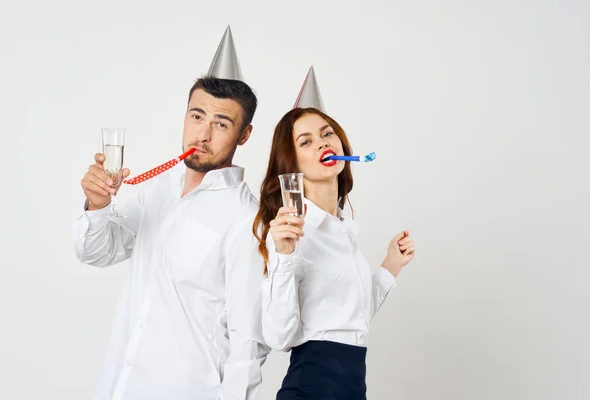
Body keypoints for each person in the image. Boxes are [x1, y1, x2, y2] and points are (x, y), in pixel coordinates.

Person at [73, 26, 269, 400]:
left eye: (221, 123)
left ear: (244, 135)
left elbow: (250, 343)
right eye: (197, 116)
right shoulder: (159, 188)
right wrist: (98, 208)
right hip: (121, 386)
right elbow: (96, 252)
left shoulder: (247, 219)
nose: (203, 134)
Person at [253, 67, 415, 400]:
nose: (322, 143)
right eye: (306, 141)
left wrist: (390, 265)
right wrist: (283, 255)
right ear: (292, 162)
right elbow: (279, 337)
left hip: (353, 387)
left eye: (327, 134)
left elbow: (352, 320)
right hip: (312, 387)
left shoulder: (343, 230)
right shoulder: (290, 232)